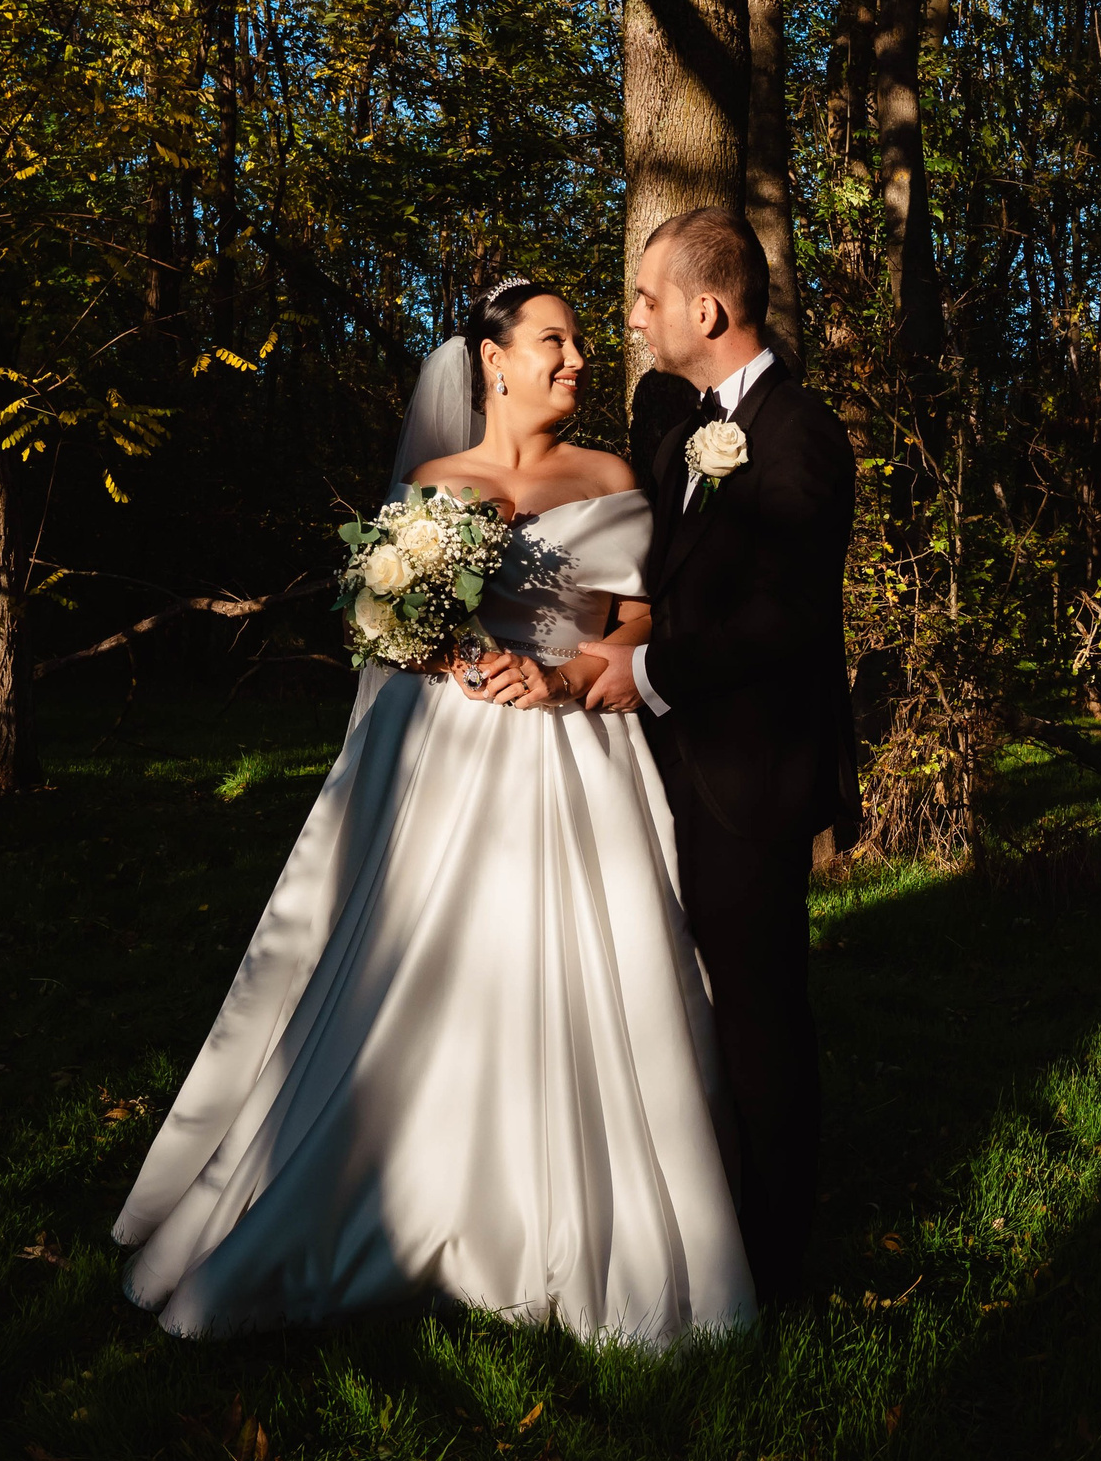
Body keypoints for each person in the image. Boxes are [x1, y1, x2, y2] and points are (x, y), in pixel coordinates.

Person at [109, 283, 755, 1345]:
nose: (578, 359)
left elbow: (641, 624)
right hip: (449, 758)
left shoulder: (609, 477)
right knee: (421, 966)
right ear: (493, 361)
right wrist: (429, 642)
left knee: (588, 967)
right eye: (554, 341)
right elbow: (386, 630)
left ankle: (582, 1225)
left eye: (581, 343)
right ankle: (398, 1195)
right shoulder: (432, 486)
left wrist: (562, 671)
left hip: (576, 752)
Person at [578, 207, 860, 1304]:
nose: (634, 319)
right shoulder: (678, 429)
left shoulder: (800, 435)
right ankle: (698, 1223)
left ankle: (773, 1269)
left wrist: (645, 673)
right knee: (681, 1007)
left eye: (648, 299)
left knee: (758, 1018)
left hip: (751, 778)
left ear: (706, 310)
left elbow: (784, 618)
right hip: (664, 770)